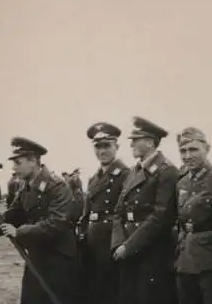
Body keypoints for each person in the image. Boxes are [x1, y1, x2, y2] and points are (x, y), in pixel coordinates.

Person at [0, 136, 79, 304]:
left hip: (58, 258)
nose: (14, 168)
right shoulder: (25, 187)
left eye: (18, 163)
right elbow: (12, 216)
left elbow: (56, 223)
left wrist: (19, 232)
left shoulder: (57, 186)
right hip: (37, 256)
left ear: (33, 161)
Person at [111, 116, 179, 304]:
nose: (131, 144)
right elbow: (118, 212)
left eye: (136, 140)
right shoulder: (134, 171)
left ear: (150, 142)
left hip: (152, 251)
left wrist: (129, 246)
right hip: (128, 249)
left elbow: (161, 216)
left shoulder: (167, 171)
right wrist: (118, 243)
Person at [175, 127, 212, 304]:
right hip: (185, 258)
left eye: (193, 149)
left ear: (207, 149)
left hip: (210, 260)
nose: (188, 155)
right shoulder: (182, 181)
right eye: (183, 151)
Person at [80, 122, 130, 304]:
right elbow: (87, 211)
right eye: (98, 147)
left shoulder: (125, 174)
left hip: (111, 238)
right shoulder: (94, 178)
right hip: (93, 238)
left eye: (107, 146)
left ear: (116, 146)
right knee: (93, 287)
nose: (102, 151)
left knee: (109, 288)